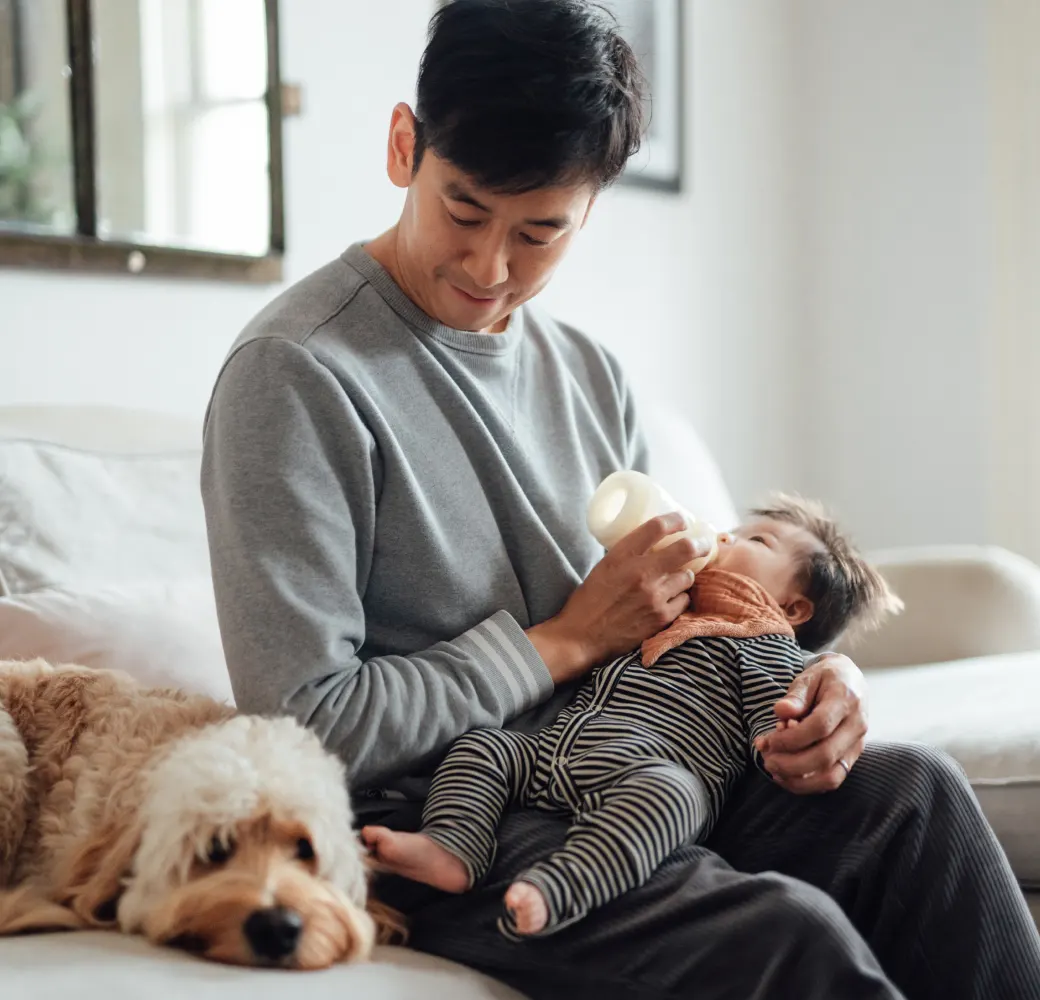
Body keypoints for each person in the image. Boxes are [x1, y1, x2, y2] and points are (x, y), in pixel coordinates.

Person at [200, 2, 1040, 998]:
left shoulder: (590, 378)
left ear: (589, 210)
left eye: (540, 231)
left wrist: (820, 684)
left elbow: (695, 615)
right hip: (448, 815)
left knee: (916, 798)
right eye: (462, 210)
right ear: (402, 146)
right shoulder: (294, 374)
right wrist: (557, 641)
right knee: (784, 937)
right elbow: (305, 722)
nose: (489, 268)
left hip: (636, 770)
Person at [361, 498, 902, 938]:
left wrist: (797, 718)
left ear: (793, 609)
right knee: (482, 747)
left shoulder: (763, 648)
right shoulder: (662, 605)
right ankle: (453, 843)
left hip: (644, 771)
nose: (728, 539)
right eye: (735, 530)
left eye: (756, 541)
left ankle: (562, 887)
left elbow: (779, 727)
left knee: (671, 799)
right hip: (551, 750)